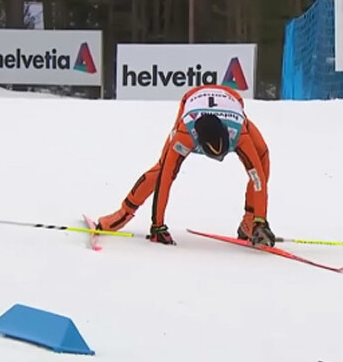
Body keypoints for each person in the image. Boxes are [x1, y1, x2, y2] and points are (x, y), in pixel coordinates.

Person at [96, 84, 275, 246]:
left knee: (262, 156)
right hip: (191, 101)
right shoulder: (184, 135)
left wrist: (261, 219)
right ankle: (122, 214)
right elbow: (165, 178)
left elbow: (256, 176)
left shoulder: (239, 134)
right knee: (163, 168)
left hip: (231, 100)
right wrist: (157, 225)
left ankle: (251, 222)